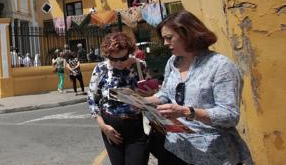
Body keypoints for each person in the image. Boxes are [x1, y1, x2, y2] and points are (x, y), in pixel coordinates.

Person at [144, 10, 253, 165]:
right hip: (175, 149)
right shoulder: (173, 62)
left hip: (212, 154)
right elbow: (166, 94)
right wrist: (143, 101)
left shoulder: (221, 66)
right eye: (164, 38)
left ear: (188, 34)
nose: (165, 43)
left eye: (169, 38)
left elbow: (229, 115)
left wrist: (186, 112)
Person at [88, 32, 149, 165]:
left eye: (123, 58)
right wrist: (103, 127)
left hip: (137, 128)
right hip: (111, 129)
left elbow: (150, 95)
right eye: (113, 59)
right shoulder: (101, 69)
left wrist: (147, 94)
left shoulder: (140, 66)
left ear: (130, 51)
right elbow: (92, 100)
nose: (118, 63)